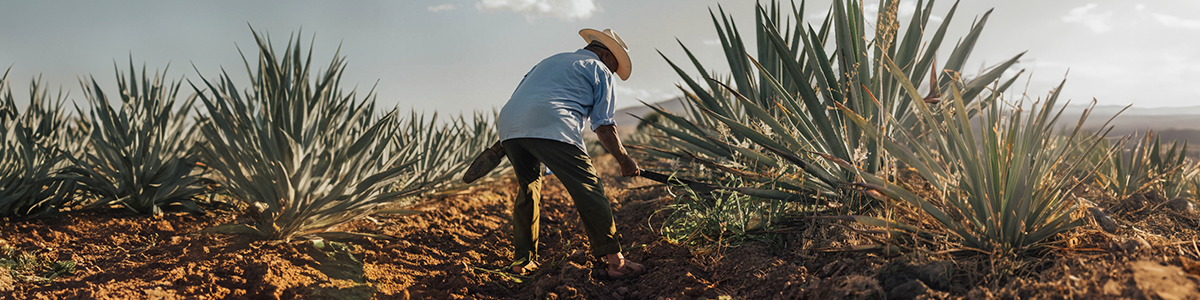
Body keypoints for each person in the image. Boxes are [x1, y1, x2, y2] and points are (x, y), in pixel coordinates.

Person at [466, 28, 646, 279]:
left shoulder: (548, 62)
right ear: (606, 56)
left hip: (509, 126)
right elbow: (604, 125)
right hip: (554, 124)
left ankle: (522, 261)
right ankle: (616, 262)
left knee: (528, 189)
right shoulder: (600, 70)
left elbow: (524, 99)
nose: (613, 72)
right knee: (589, 188)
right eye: (614, 67)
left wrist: (506, 141)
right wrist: (624, 159)